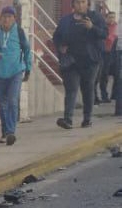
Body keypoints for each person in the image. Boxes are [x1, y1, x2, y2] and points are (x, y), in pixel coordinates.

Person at [0, 6, 33, 146]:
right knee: (2, 104)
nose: (6, 19)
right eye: (4, 16)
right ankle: (4, 131)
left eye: (9, 17)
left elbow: (27, 50)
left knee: (12, 100)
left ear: (14, 19)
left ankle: (11, 132)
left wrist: (28, 68)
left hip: (16, 72)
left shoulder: (20, 33)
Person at [54, 0, 107, 128]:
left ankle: (87, 119)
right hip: (71, 60)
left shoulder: (95, 17)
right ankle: (68, 119)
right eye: (77, 2)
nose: (80, 5)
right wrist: (60, 46)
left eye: (83, 2)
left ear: (87, 4)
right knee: (71, 89)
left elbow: (105, 34)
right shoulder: (66, 20)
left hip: (90, 61)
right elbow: (56, 37)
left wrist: (92, 27)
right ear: (73, 5)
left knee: (87, 89)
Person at [99, 11, 118, 102]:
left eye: (113, 17)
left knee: (117, 75)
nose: (112, 19)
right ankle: (104, 96)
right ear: (106, 18)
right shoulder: (103, 27)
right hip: (105, 53)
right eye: (110, 17)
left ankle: (114, 95)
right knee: (104, 75)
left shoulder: (117, 27)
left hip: (115, 53)